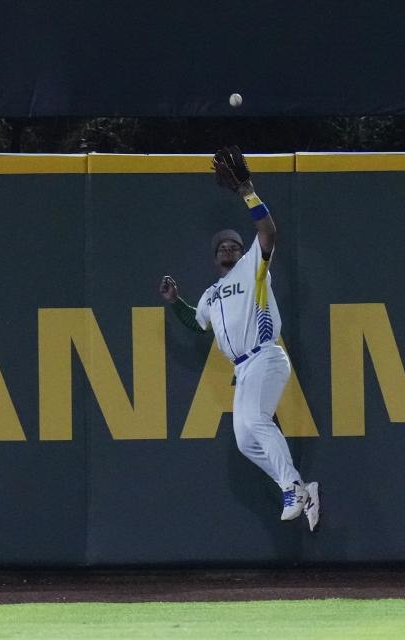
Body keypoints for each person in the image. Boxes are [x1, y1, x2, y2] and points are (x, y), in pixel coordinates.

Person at [159, 146, 320, 532]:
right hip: (244, 370)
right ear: (215, 258)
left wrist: (247, 190)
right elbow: (198, 325)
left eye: (234, 244)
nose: (230, 248)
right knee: (246, 440)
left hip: (265, 355)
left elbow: (268, 231)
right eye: (223, 247)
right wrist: (175, 302)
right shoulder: (211, 295)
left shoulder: (253, 267)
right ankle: (300, 487)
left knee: (254, 420)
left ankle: (293, 488)